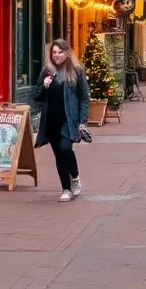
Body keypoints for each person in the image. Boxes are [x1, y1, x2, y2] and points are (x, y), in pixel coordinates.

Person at [33, 39, 91, 202]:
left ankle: (75, 176)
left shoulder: (76, 71)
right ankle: (66, 188)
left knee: (66, 149)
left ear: (67, 53)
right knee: (59, 154)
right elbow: (36, 97)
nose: (57, 56)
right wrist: (44, 85)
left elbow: (84, 97)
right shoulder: (47, 71)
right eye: (54, 52)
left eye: (60, 52)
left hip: (69, 119)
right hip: (51, 119)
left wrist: (82, 120)